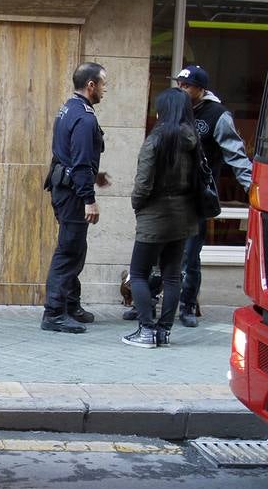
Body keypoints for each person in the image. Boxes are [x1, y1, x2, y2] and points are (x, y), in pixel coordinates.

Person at [175, 65, 252, 328]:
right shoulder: (175, 109)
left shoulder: (218, 115)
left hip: (197, 195)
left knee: (189, 254)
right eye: (179, 84)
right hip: (170, 195)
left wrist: (252, 187)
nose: (182, 89)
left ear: (201, 89)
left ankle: (187, 306)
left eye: (187, 86)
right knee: (160, 250)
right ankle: (149, 302)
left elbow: (236, 154)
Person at [124, 87, 200, 348]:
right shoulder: (192, 141)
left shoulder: (155, 141)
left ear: (163, 111)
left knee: (138, 273)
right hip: (183, 215)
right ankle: (163, 333)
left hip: (154, 214)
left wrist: (137, 205)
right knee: (172, 276)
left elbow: (143, 184)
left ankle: (146, 330)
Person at [40, 62, 111, 334]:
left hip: (64, 187)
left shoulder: (68, 108)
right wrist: (89, 199)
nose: (105, 89)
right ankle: (54, 313)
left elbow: (69, 156)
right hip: (72, 194)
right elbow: (79, 163)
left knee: (74, 248)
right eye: (103, 84)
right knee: (69, 251)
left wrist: (95, 175)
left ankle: (71, 304)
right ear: (91, 85)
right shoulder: (85, 118)